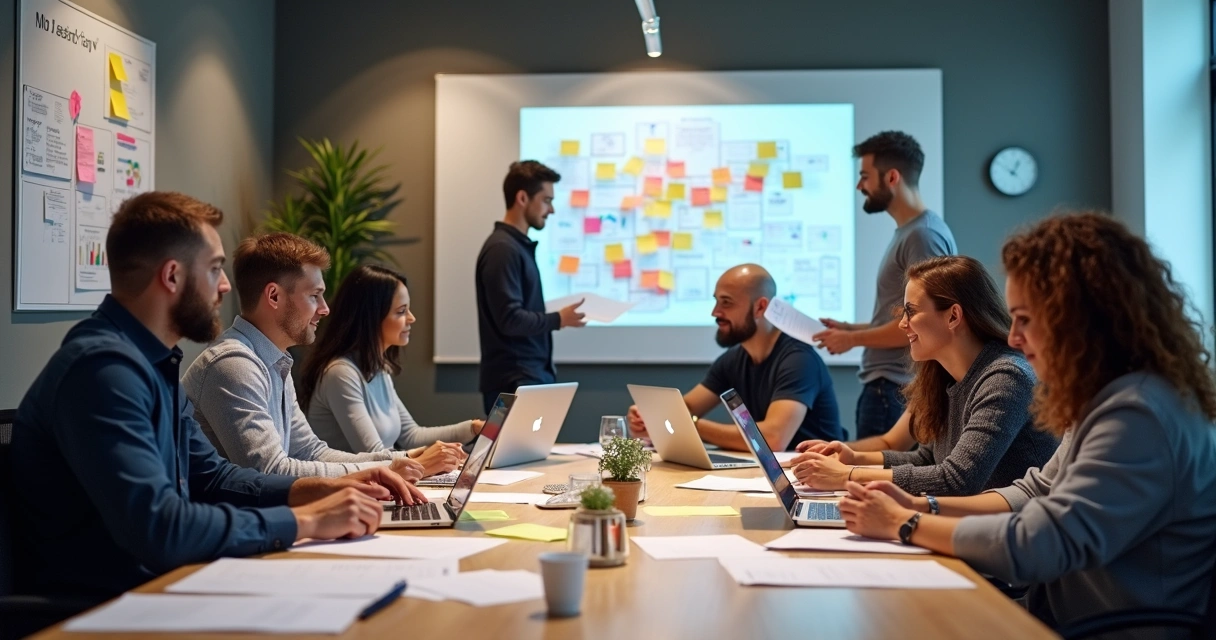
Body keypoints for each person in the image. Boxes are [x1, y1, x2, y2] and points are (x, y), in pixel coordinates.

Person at [7, 192, 415, 605]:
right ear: (172, 277)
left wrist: (325, 487)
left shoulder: (152, 364)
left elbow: (216, 477)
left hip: (159, 585)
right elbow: (161, 528)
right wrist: (305, 520)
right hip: (99, 607)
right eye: (216, 269)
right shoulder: (102, 371)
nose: (225, 286)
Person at [839, 212, 1216, 632]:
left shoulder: (1138, 414)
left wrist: (905, 524)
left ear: (1080, 318)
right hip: (1056, 611)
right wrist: (921, 504)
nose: (1014, 337)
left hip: (1104, 627)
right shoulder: (1106, 398)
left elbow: (1041, 543)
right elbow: (1033, 490)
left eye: (1026, 319)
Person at [788, 256, 1057, 494]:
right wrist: (853, 458)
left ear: (953, 316)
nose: (903, 324)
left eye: (911, 312)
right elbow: (929, 459)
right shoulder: (947, 376)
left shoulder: (1007, 378)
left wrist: (847, 476)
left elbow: (957, 479)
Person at [182, 233, 432, 480]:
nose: (325, 309)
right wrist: (384, 470)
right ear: (274, 296)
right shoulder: (233, 364)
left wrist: (399, 461)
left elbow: (309, 452)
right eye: (314, 295)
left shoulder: (274, 360)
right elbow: (270, 473)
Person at [813, 131, 956, 439]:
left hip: (894, 388)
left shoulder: (923, 236)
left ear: (892, 177)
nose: (859, 186)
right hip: (887, 387)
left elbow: (926, 323)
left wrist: (853, 340)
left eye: (865, 176)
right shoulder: (911, 233)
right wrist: (850, 329)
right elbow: (902, 317)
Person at [628, 264, 843, 452]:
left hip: (811, 482)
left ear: (760, 307)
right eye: (716, 302)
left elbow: (773, 438)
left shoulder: (799, 360)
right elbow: (687, 408)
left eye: (726, 303)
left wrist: (689, 424)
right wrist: (650, 417)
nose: (715, 312)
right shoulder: (733, 360)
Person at [300, 265, 479, 476]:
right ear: (372, 317)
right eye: (401, 311)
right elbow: (373, 453)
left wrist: (474, 428)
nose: (411, 318)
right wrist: (426, 458)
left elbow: (411, 435)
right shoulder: (340, 374)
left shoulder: (378, 368)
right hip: (353, 491)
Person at [475, 160, 586, 413]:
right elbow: (510, 319)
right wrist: (559, 319)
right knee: (514, 453)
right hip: (515, 381)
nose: (552, 210)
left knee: (531, 454)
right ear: (523, 198)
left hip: (525, 379)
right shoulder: (503, 249)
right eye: (547, 200)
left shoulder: (514, 247)